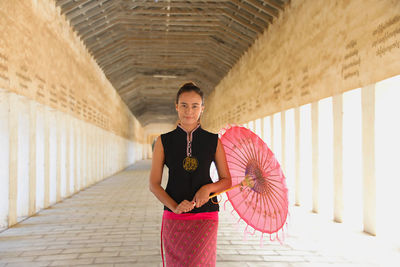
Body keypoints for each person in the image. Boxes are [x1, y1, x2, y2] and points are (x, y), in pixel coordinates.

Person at [149, 82, 232, 266]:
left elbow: (227, 181)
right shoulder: (164, 141)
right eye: (184, 105)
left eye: (195, 106)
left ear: (202, 108)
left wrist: (208, 188)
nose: (189, 111)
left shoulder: (213, 141)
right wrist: (174, 207)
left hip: (206, 215)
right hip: (173, 215)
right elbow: (153, 184)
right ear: (176, 106)